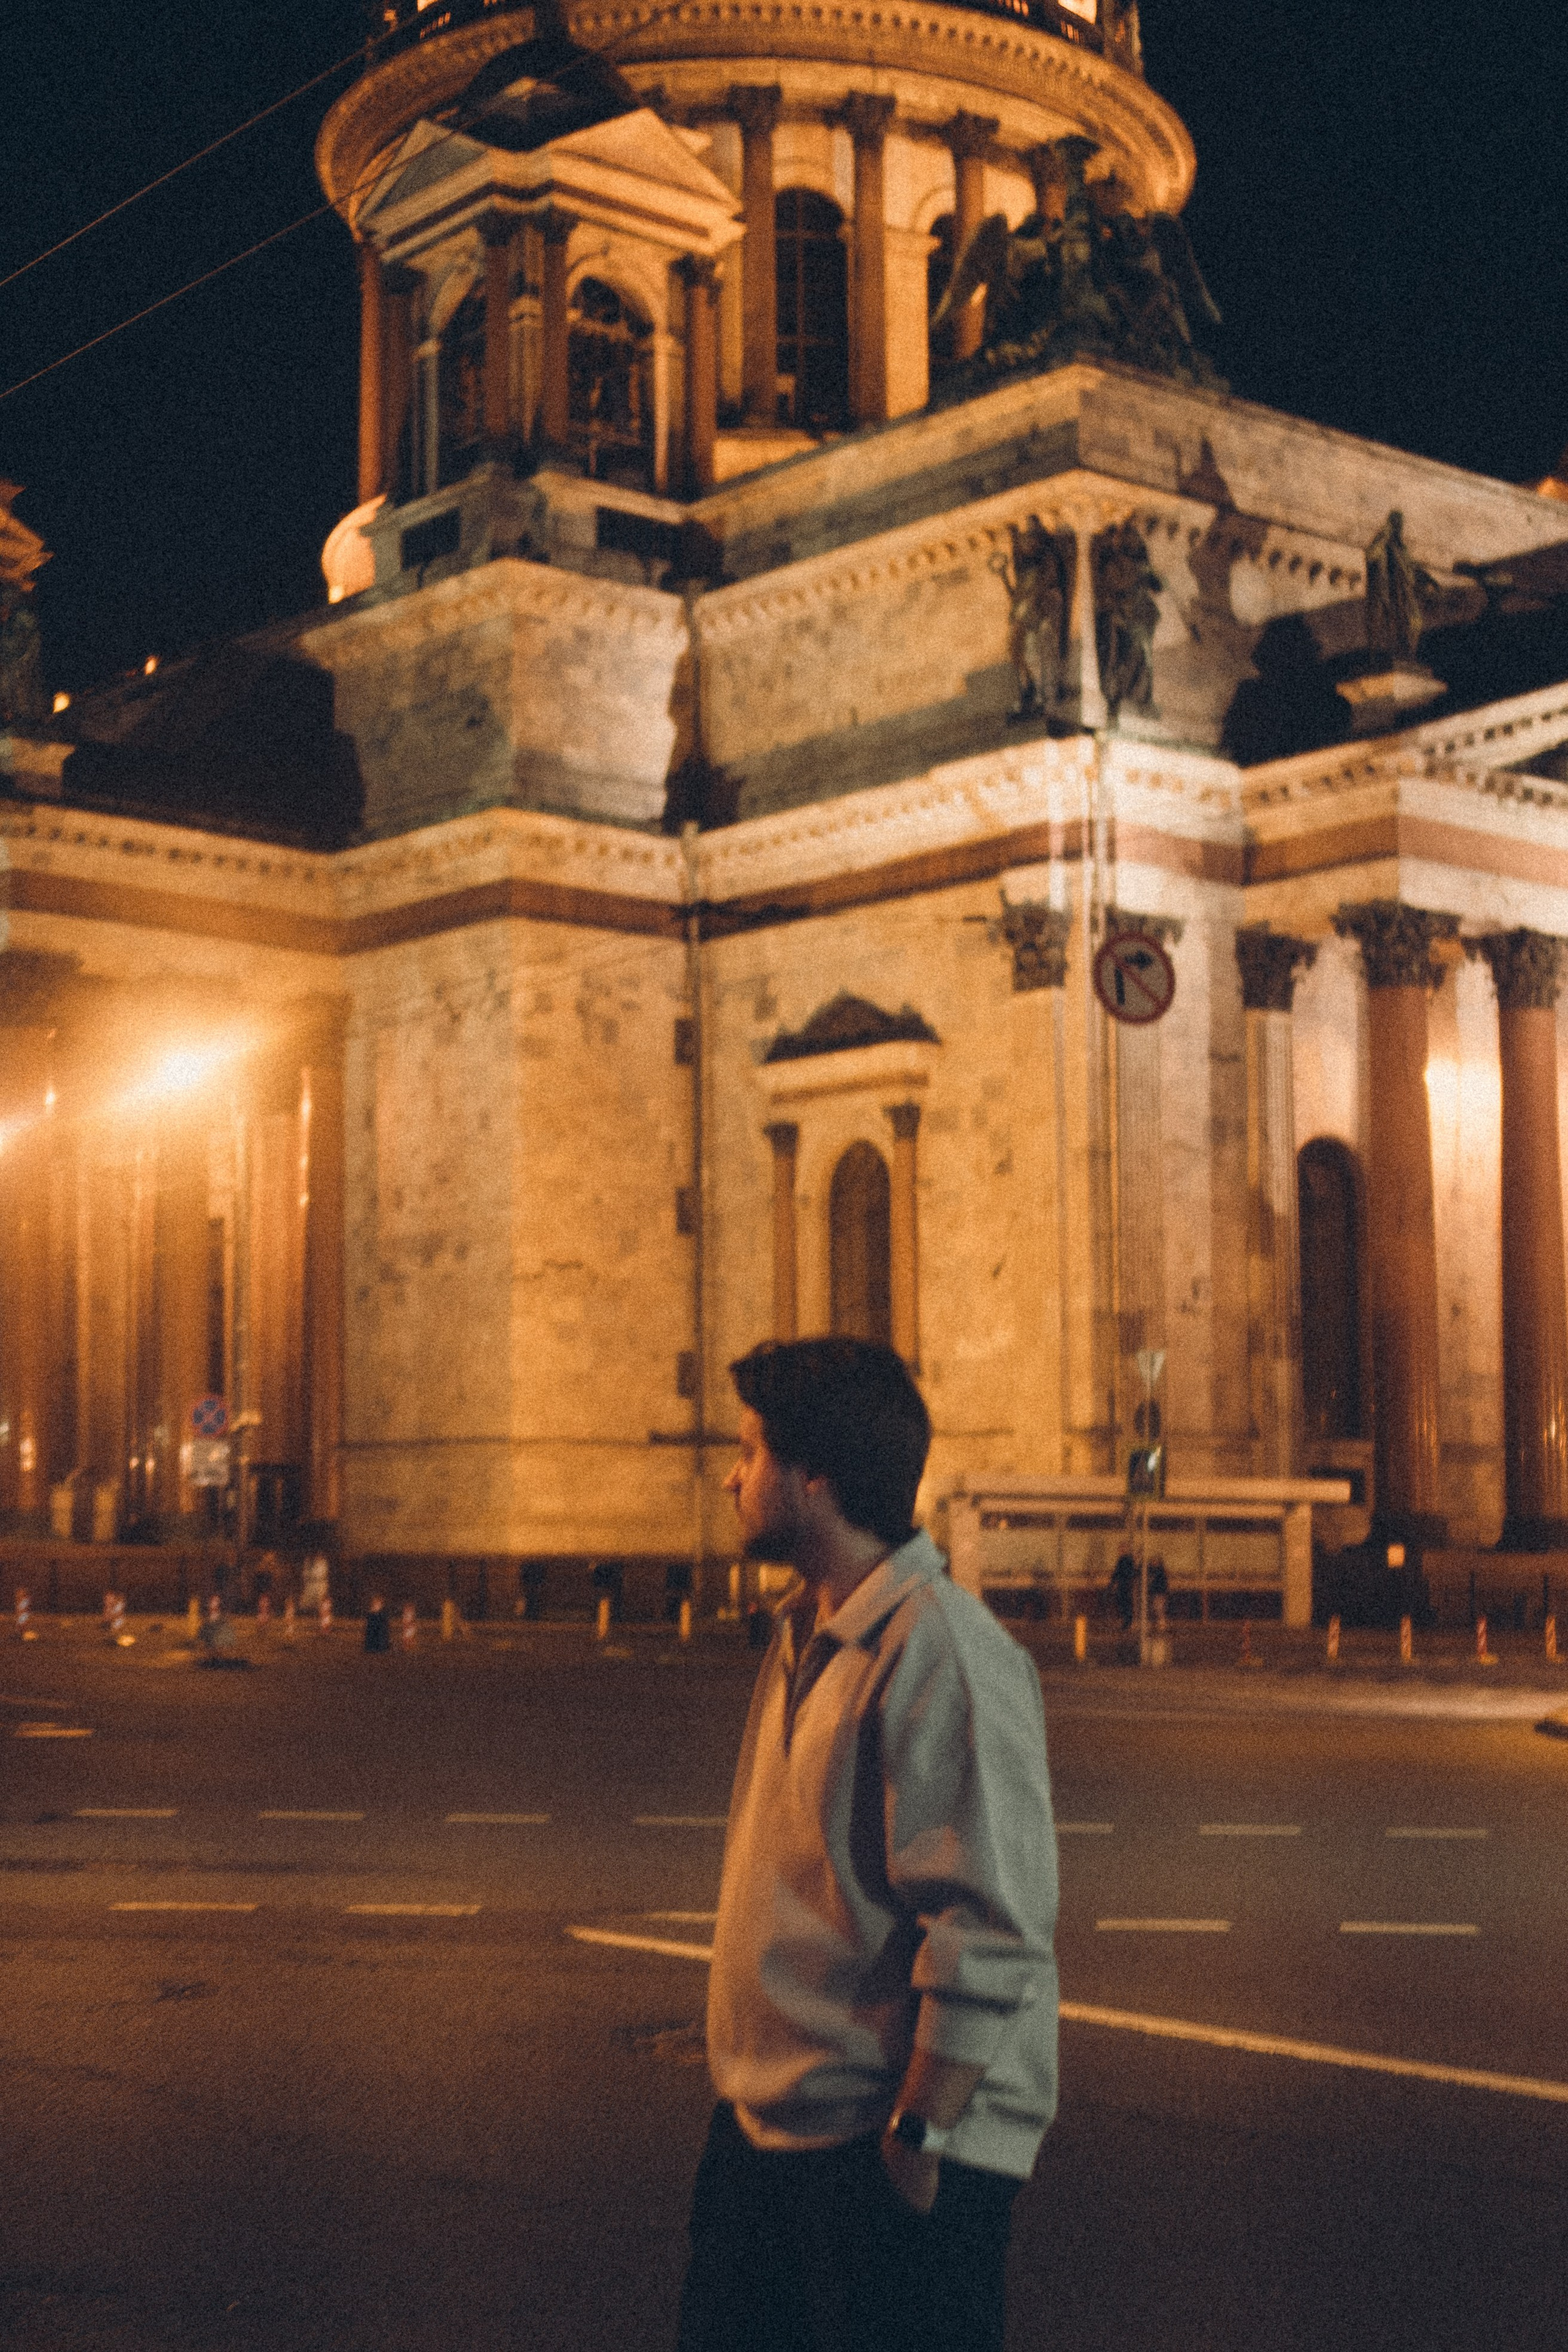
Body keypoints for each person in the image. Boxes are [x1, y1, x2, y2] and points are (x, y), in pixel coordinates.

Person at [677, 1337, 1058, 2352]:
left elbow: (987, 1922)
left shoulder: (945, 1651)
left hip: (881, 2152)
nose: (730, 1473)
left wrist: (919, 2138)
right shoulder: (811, 1630)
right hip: (775, 2133)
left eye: (751, 1452)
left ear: (817, 1477)